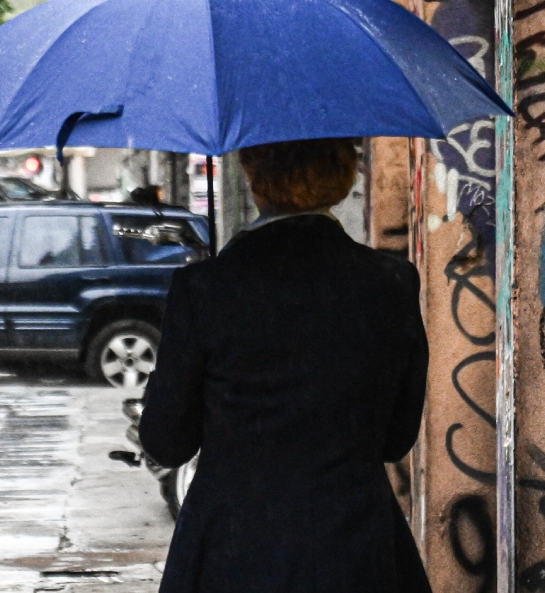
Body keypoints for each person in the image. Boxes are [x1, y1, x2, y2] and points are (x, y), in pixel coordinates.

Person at [139, 137, 430, 592]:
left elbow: (166, 442)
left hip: (232, 554)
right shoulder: (391, 283)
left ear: (253, 174)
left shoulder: (205, 289)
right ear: (343, 173)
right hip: (355, 552)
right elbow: (396, 439)